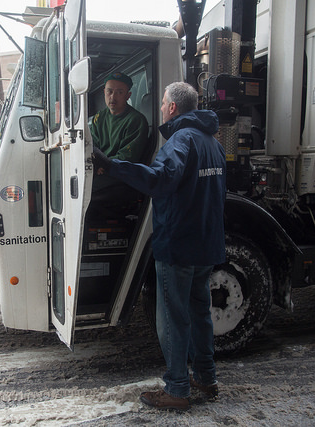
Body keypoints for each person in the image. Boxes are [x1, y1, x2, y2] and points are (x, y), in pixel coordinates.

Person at [93, 82, 226, 411]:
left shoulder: (181, 139)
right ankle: (206, 377)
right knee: (199, 312)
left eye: (163, 102)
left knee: (173, 318)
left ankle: (178, 389)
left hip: (179, 243)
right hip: (205, 243)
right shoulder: (213, 143)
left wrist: (111, 166)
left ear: (172, 108)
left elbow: (159, 179)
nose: (162, 107)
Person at [90, 72, 150, 195]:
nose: (113, 97)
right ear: (104, 92)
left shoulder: (136, 120)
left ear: (128, 95)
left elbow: (127, 158)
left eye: (119, 92)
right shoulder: (99, 117)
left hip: (120, 176)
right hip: (100, 171)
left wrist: (103, 166)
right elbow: (92, 146)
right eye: (109, 91)